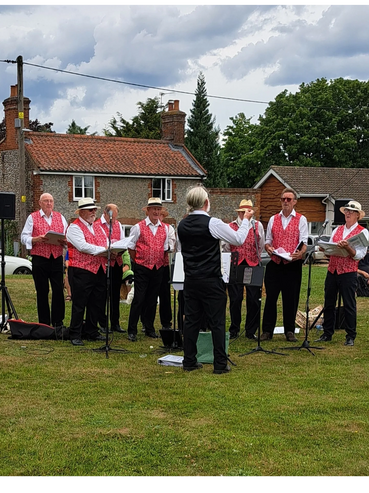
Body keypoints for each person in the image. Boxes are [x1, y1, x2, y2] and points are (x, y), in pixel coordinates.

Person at [177, 186, 254, 374]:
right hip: (211, 279)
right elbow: (238, 239)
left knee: (191, 321)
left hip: (191, 279)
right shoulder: (213, 223)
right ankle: (220, 363)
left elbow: (182, 249)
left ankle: (189, 361)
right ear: (206, 203)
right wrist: (246, 221)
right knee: (217, 322)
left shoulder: (181, 225)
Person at [316, 201, 369, 346]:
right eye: (346, 211)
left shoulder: (363, 232)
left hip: (348, 272)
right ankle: (327, 333)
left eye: (351, 211)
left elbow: (359, 255)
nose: (348, 213)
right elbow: (332, 251)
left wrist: (348, 248)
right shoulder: (337, 229)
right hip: (332, 270)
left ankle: (350, 335)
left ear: (358, 215)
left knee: (349, 304)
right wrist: (325, 249)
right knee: (329, 302)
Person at [261, 188, 308, 342]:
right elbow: (267, 241)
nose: (286, 202)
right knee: (271, 298)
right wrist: (269, 248)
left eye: (289, 199)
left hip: (292, 265)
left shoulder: (301, 219)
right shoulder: (274, 219)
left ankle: (289, 330)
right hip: (275, 263)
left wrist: (299, 254)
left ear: (294, 201)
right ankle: (267, 330)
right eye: (283, 199)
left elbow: (304, 243)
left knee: (291, 298)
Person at [66, 198, 109, 346]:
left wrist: (111, 249)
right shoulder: (74, 227)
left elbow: (106, 242)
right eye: (91, 210)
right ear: (82, 212)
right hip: (81, 270)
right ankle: (75, 334)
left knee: (96, 303)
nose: (93, 212)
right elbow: (83, 246)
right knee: (79, 303)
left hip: (98, 269)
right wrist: (104, 251)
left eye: (95, 209)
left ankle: (91, 331)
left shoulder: (98, 227)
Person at [21, 193, 68, 329]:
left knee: (58, 289)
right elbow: (24, 237)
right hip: (40, 258)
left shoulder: (60, 217)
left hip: (56, 258)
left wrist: (64, 241)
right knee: (42, 290)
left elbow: (67, 236)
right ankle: (44, 322)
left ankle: (58, 321)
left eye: (51, 201)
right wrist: (35, 239)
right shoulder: (32, 217)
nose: (49, 203)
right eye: (46, 201)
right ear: (40, 203)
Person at [126, 197, 170, 342]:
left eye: (159, 209)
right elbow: (130, 247)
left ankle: (149, 328)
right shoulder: (138, 227)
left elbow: (165, 249)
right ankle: (132, 329)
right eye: (154, 209)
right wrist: (138, 261)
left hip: (158, 267)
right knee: (139, 298)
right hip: (142, 267)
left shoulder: (166, 228)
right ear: (148, 211)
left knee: (152, 299)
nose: (157, 212)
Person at [223, 200, 265, 340]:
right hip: (236, 265)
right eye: (243, 212)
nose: (245, 214)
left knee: (253, 298)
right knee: (235, 298)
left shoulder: (257, 226)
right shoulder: (231, 226)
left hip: (252, 264)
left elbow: (261, 245)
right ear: (239, 213)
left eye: (248, 212)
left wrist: (253, 257)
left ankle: (250, 330)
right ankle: (234, 328)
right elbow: (226, 246)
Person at [97, 204, 126, 334]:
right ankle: (102, 323)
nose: (113, 220)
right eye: (111, 218)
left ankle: (115, 322)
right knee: (102, 294)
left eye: (115, 218)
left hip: (117, 263)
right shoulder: (97, 224)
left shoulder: (119, 225)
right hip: (104, 263)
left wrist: (119, 251)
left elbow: (123, 241)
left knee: (115, 294)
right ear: (105, 213)